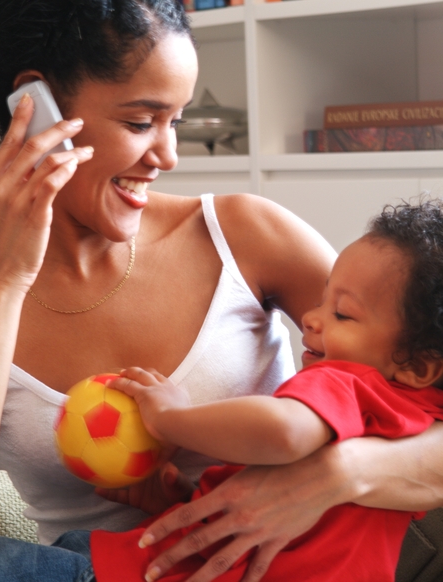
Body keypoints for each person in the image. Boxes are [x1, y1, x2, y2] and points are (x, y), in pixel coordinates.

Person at [0, 0, 442, 582]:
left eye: (177, 121)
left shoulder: (243, 234)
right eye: (140, 123)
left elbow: (421, 388)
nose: (167, 157)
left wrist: (334, 475)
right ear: (38, 110)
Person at [88, 200, 443, 582]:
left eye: (342, 313)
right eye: (323, 299)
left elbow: (284, 432)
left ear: (419, 367)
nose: (311, 317)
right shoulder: (421, 419)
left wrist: (168, 418)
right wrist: (183, 501)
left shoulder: (346, 379)